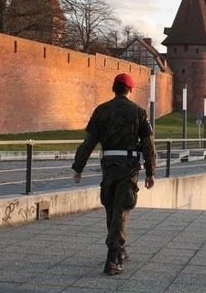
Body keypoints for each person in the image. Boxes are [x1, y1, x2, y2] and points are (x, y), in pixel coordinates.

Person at [72, 73, 156, 276]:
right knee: (122, 208)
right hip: (128, 167)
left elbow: (89, 142)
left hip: (108, 165)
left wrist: (78, 167)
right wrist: (151, 172)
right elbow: (148, 144)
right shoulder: (138, 112)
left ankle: (119, 249)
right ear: (130, 90)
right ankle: (113, 258)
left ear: (113, 88)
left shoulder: (101, 110)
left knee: (111, 207)